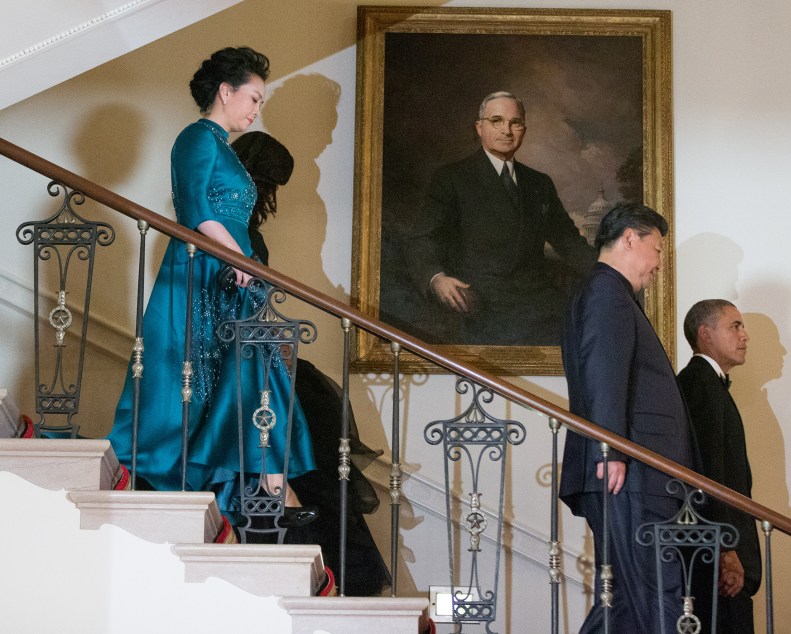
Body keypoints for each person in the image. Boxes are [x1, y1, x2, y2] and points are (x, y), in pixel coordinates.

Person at [107, 47, 317, 528]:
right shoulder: (197, 137)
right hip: (204, 271)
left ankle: (269, 486)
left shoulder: (219, 144)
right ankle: (270, 487)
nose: (256, 109)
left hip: (224, 275)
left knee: (246, 375)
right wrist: (240, 258)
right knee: (216, 375)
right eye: (254, 97)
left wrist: (242, 265)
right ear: (226, 91)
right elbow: (197, 209)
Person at [232, 131, 391, 595]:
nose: (268, 197)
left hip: (254, 345)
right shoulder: (224, 231)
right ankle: (288, 508)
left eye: (272, 187)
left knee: (313, 422)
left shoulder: (244, 232)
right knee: (294, 421)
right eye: (266, 184)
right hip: (235, 353)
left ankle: (334, 572)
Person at [559, 202, 697, 633]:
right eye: (658, 249)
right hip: (631, 472)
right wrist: (611, 449)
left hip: (632, 471)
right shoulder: (607, 292)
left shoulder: (606, 292)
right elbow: (604, 371)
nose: (658, 264)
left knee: (621, 604)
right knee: (658, 594)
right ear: (630, 238)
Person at [404, 91, 597, 346]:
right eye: (497, 121)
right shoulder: (452, 178)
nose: (507, 130)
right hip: (481, 301)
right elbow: (423, 239)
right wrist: (436, 279)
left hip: (539, 301)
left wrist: (609, 274)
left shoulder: (539, 183)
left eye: (515, 123)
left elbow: (569, 241)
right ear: (479, 127)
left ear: (523, 130)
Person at [677, 300, 761, 633]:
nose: (745, 336)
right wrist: (725, 548)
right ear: (705, 334)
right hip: (719, 559)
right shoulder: (700, 384)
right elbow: (707, 473)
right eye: (735, 326)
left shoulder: (709, 384)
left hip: (724, 552)